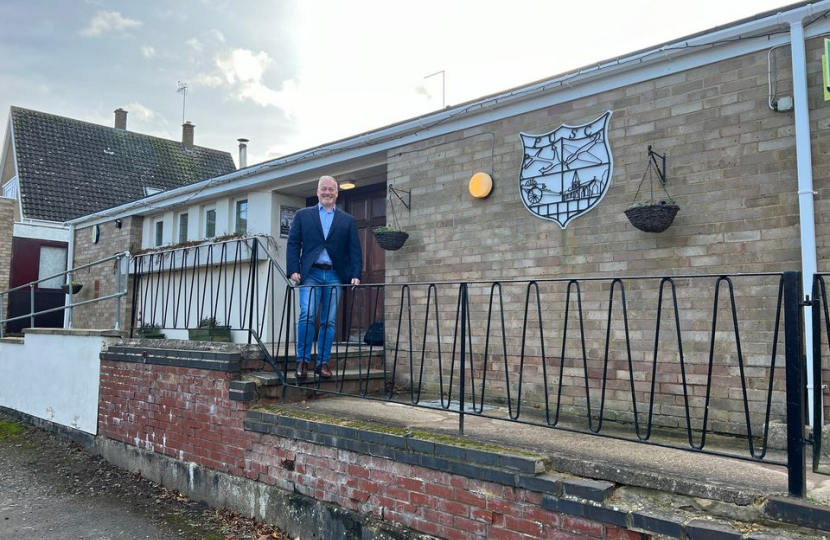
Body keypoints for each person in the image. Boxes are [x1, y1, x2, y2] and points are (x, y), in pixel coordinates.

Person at [286, 175, 362, 380]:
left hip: (335, 275)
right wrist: (293, 268)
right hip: (311, 273)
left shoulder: (347, 220)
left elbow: (354, 249)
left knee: (329, 320)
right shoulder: (303, 215)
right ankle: (302, 361)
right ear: (317, 191)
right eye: (324, 189)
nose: (327, 192)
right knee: (307, 315)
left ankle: (323, 363)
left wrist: (356, 274)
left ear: (337, 193)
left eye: (331, 189)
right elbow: (293, 243)